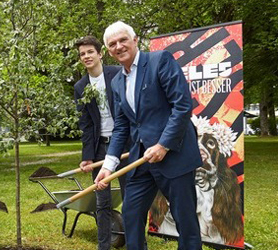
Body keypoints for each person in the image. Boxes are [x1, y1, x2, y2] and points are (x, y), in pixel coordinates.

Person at [95, 21, 203, 250]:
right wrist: (108, 166)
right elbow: (122, 126)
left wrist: (164, 144)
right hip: (141, 160)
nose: (119, 46)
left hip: (175, 155)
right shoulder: (116, 82)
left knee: (185, 221)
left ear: (135, 40)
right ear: (108, 51)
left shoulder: (159, 61)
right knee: (131, 214)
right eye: (112, 44)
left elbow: (182, 106)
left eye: (123, 40)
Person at [73, 35, 127, 250]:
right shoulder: (80, 86)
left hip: (123, 143)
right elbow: (85, 124)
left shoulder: (117, 73)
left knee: (131, 197)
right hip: (99, 148)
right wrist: (86, 156)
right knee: (102, 201)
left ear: (100, 53)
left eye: (89, 52)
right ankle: (103, 246)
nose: (86, 56)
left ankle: (136, 243)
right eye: (82, 54)